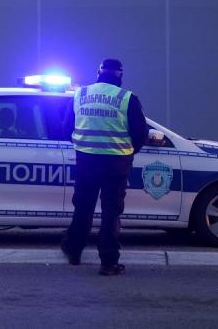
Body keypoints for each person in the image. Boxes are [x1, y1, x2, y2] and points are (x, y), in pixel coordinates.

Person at [61, 58, 148, 276]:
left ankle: (73, 252)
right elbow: (141, 134)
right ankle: (108, 263)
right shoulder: (127, 98)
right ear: (120, 75)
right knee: (111, 211)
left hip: (86, 161)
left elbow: (65, 127)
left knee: (83, 207)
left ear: (98, 73)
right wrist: (128, 151)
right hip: (116, 163)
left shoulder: (80, 95)